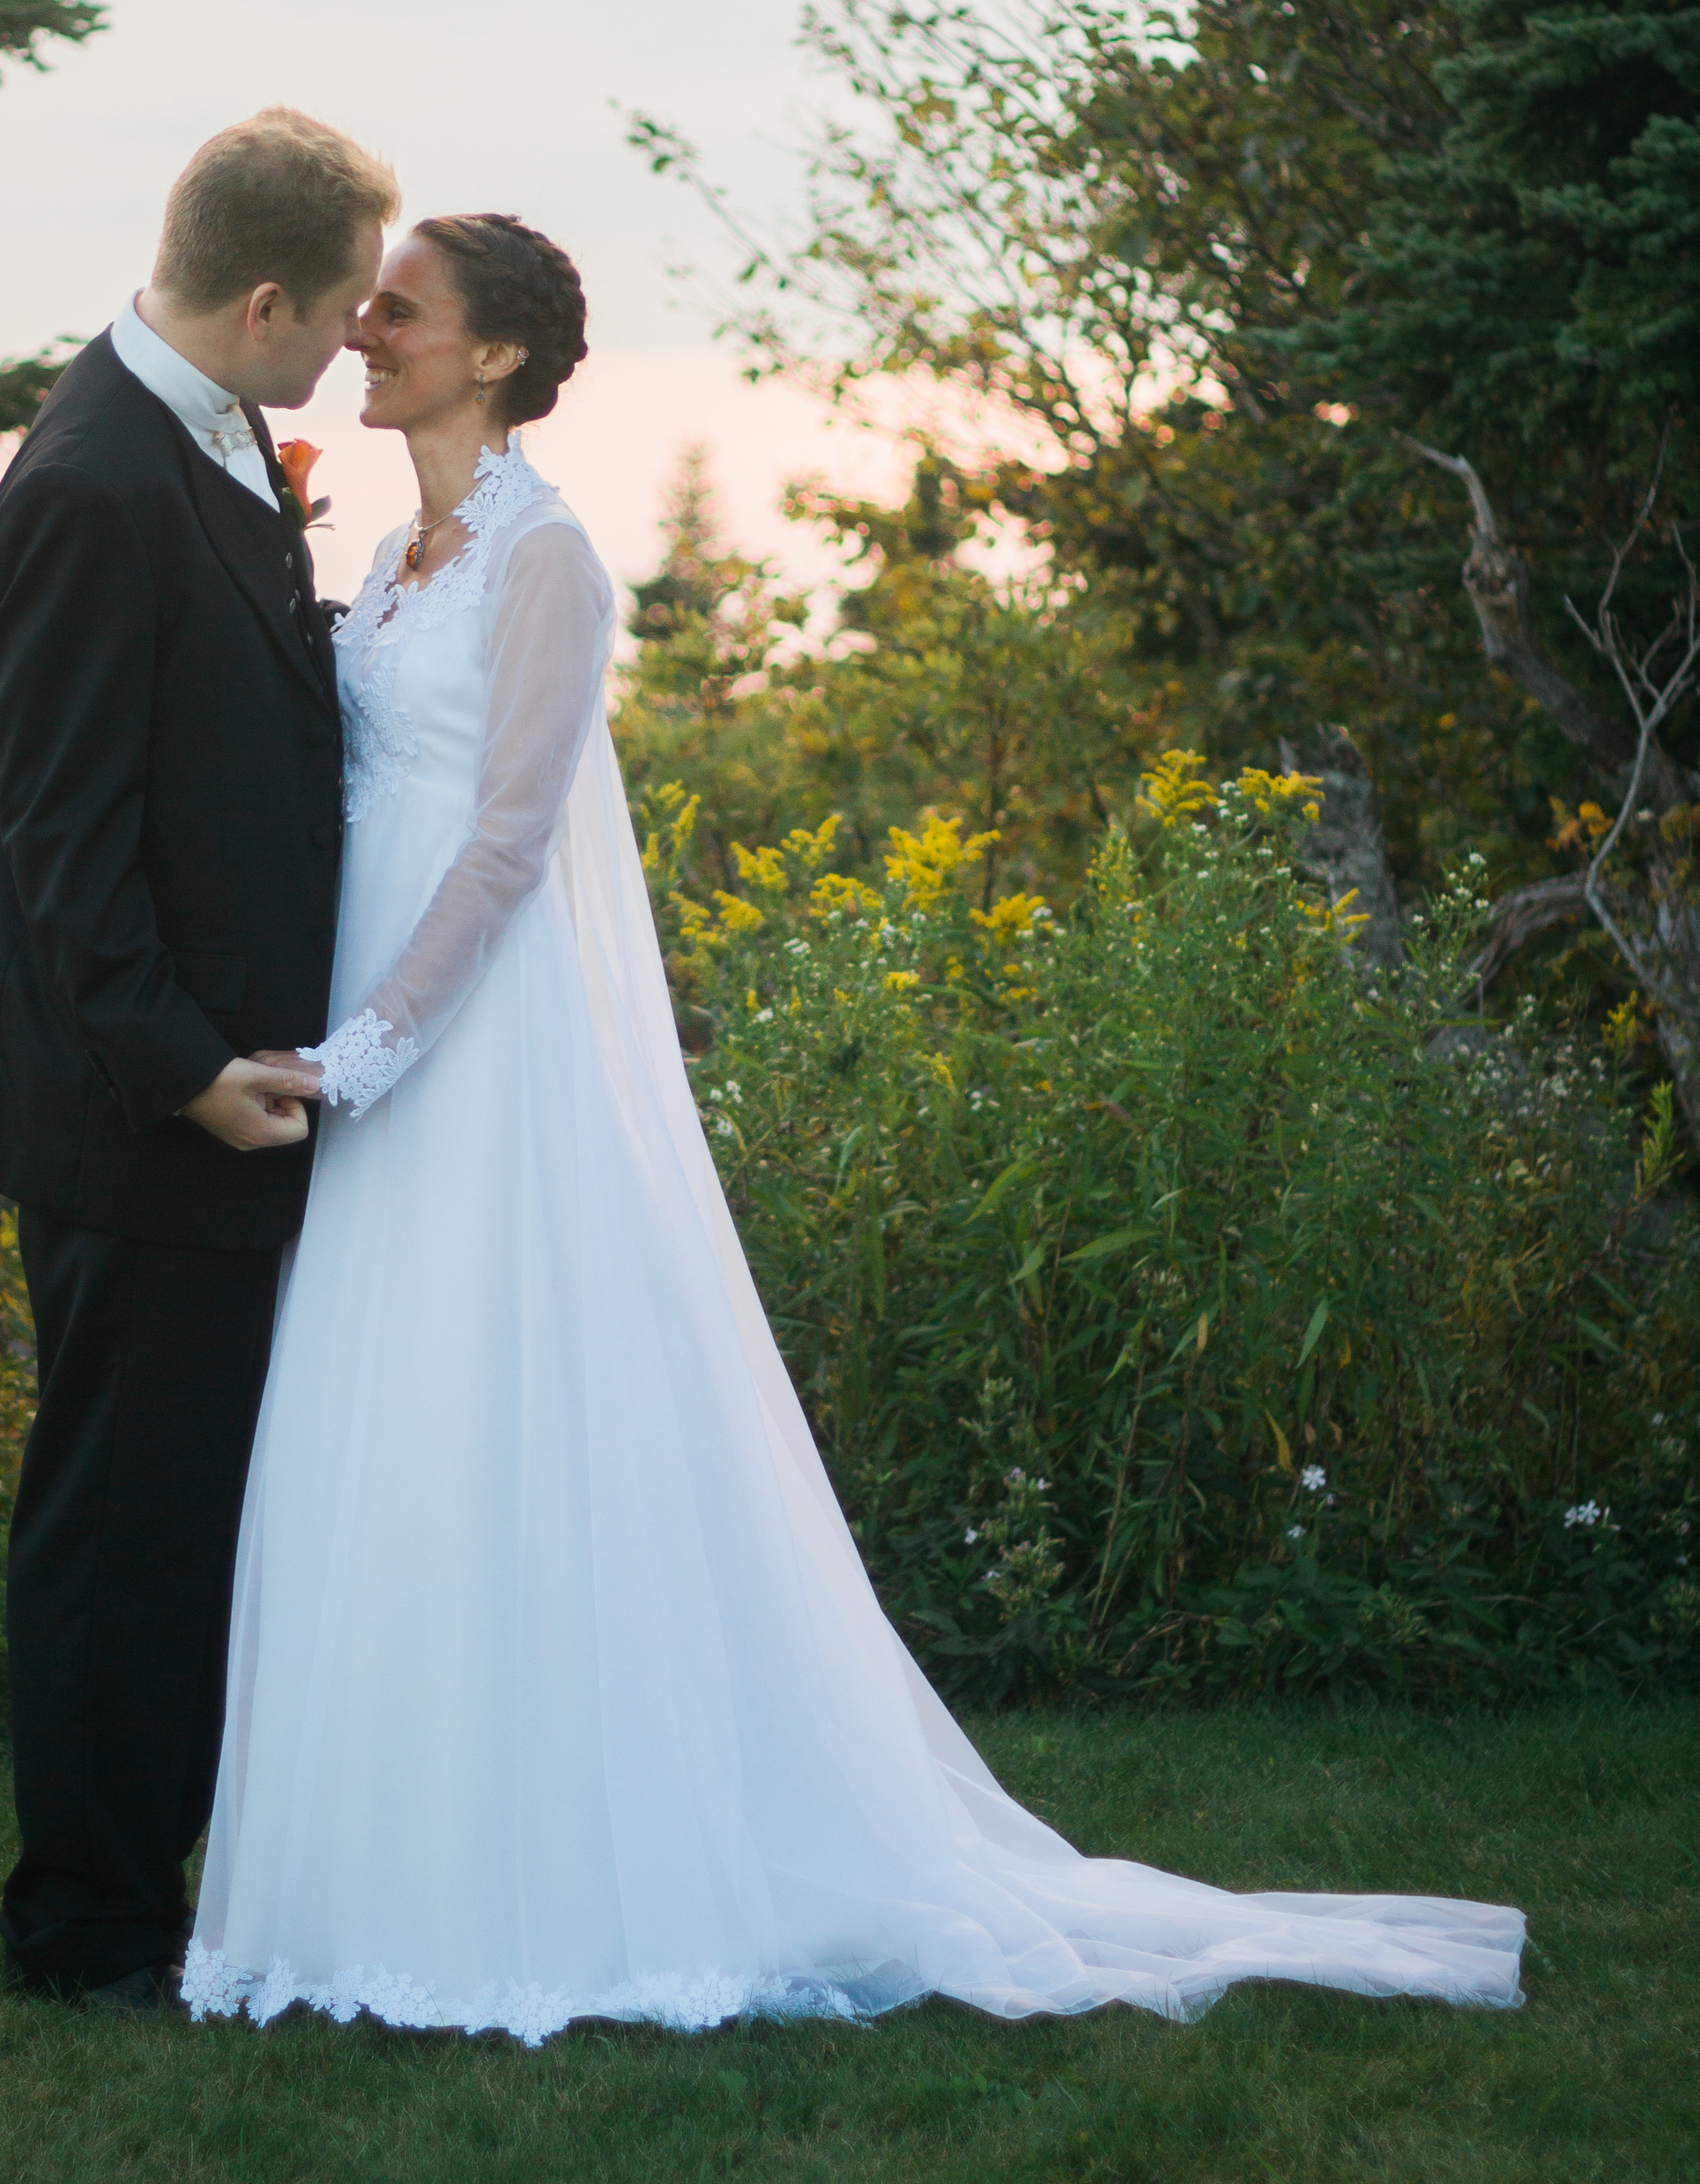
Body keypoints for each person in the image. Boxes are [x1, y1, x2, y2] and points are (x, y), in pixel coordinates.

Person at [182, 212, 1526, 2042]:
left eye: (396, 309)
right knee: (395, 1420)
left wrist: (363, 1052)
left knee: (515, 1410)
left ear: (491, 356)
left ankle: (569, 1872)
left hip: (472, 1052)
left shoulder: (545, 557)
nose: (363, 327)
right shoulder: (389, 552)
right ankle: (389, 1860)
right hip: (374, 1018)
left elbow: (507, 844)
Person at [0, 106, 387, 2009]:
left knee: (186, 1503)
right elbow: (57, 836)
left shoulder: (204, 439)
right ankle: (86, 1923)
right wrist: (185, 1067)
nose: (358, 341)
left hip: (208, 1094)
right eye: (347, 307)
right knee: (122, 1517)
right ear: (266, 297)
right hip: (139, 1114)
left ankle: (155, 1875)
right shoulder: (94, 479)